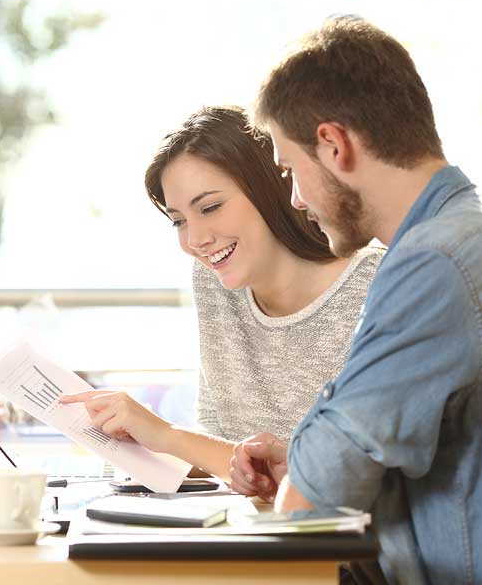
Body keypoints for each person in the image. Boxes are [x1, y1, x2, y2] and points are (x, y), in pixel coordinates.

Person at [228, 16, 482, 584]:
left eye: (291, 169)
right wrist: (303, 456)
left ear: (334, 144)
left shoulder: (434, 264)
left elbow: (309, 503)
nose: (294, 199)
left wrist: (309, 465)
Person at [62, 106, 382, 488]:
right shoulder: (215, 283)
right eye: (179, 220)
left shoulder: (376, 286)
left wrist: (167, 435)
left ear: (270, 188)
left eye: (210, 207)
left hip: (343, 540)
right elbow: (227, 457)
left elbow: (355, 468)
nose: (195, 240)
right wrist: (138, 440)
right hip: (248, 532)